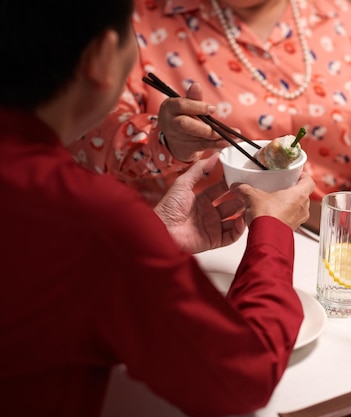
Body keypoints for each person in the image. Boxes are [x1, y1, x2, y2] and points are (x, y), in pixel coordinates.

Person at [0, 0, 315, 416]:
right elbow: (242, 379)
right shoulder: (90, 217)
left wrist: (151, 237)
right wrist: (273, 231)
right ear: (100, 57)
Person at [69, 0, 351, 204]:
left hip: (334, 242)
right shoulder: (145, 16)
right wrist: (162, 142)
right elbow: (84, 140)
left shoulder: (336, 13)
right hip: (209, 249)